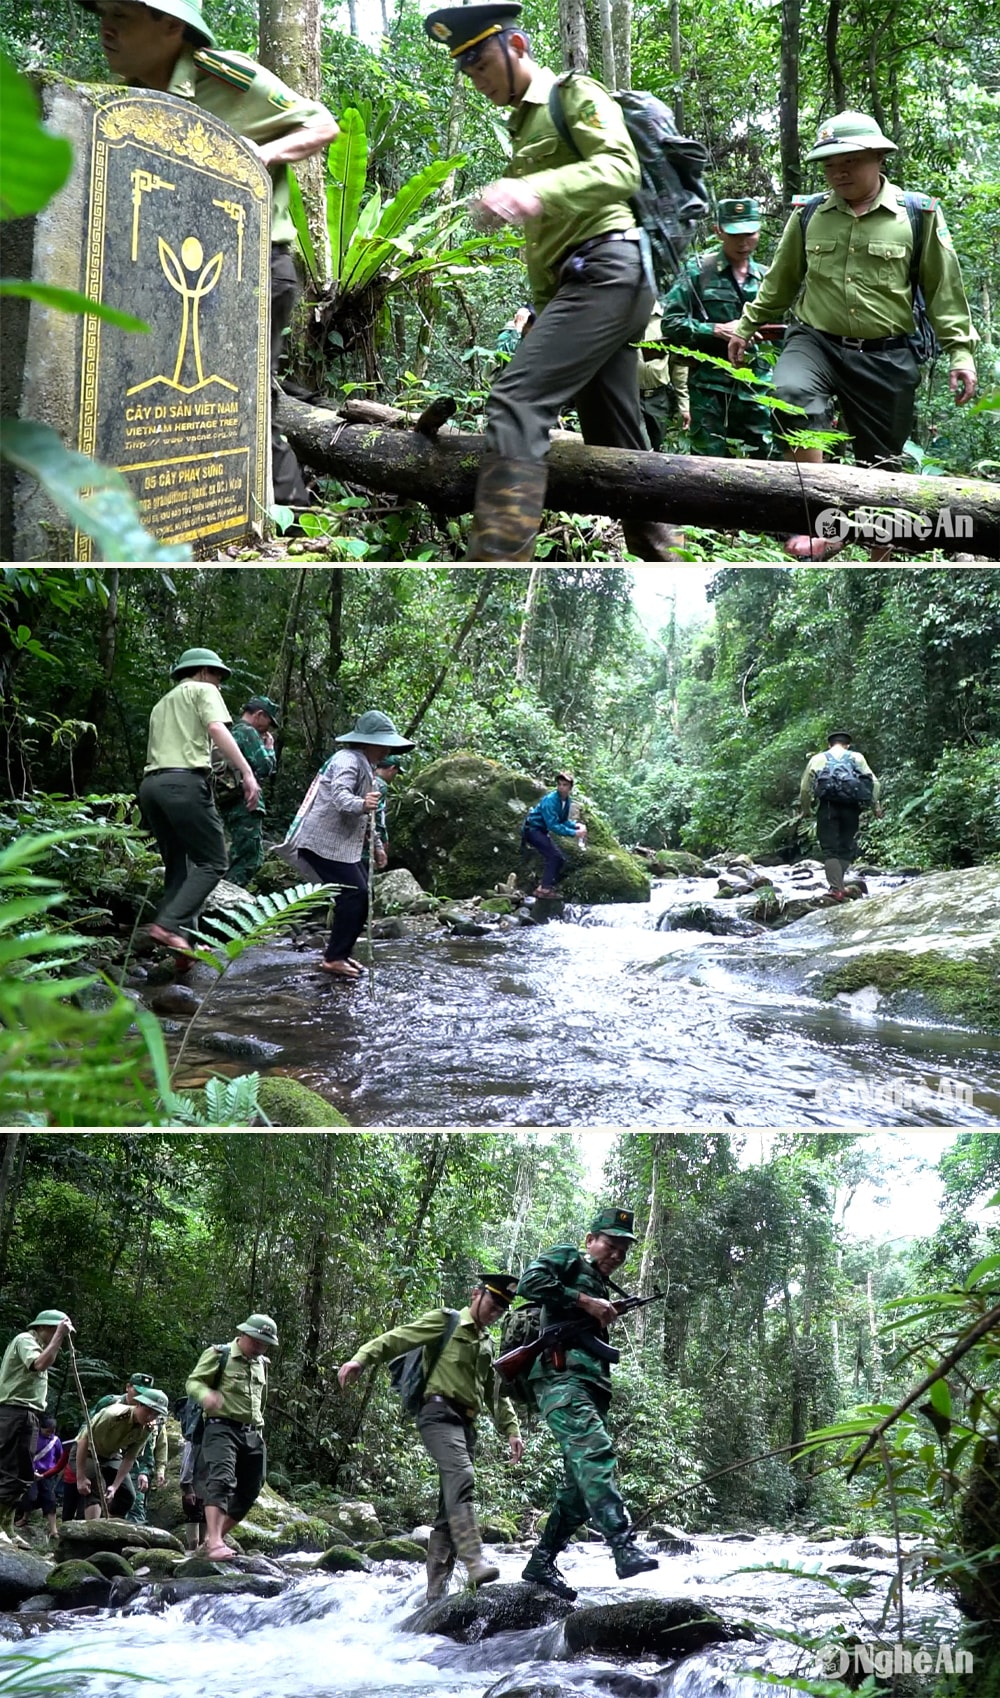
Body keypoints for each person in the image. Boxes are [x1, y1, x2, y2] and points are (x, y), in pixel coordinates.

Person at [425, 3, 681, 562]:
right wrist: (545, 309)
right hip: (582, 285)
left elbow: (621, 169)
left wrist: (535, 189)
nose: (479, 80)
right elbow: (548, 248)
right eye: (467, 72)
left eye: (483, 64)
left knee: (516, 400)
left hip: (612, 269)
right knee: (614, 434)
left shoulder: (573, 94)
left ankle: (499, 560)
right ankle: (664, 551)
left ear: (515, 48)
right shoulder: (521, 127)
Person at [74, 0, 339, 513]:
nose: (106, 27)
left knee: (247, 397)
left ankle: (292, 518)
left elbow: (322, 125)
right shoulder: (132, 102)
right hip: (175, 272)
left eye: (123, 16)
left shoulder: (224, 76)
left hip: (253, 264)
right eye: (103, 14)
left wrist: (257, 156)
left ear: (171, 26)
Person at [727, 112, 979, 561]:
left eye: (850, 161)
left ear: (879, 158)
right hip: (816, 341)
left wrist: (961, 352)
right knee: (791, 393)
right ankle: (817, 522)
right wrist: (746, 327)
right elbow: (781, 281)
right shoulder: (809, 216)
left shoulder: (917, 215)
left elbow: (945, 290)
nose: (838, 172)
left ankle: (877, 553)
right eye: (829, 164)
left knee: (881, 465)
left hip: (886, 354)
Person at [337, 1274, 523, 1602]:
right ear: (476, 1294)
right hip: (437, 1415)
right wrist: (360, 1358)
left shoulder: (486, 1343)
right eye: (494, 1304)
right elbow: (398, 1338)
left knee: (447, 1507)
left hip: (467, 1426)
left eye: (502, 1309)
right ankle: (473, 1560)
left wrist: (512, 1430)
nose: (496, 1312)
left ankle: (435, 1594)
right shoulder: (446, 1322)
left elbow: (495, 1393)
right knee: (462, 1475)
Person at [517, 1206, 658, 1598]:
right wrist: (583, 1301)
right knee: (595, 1453)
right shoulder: (568, 1258)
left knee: (578, 1489)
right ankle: (622, 1542)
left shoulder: (602, 1286)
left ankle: (542, 1561)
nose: (616, 1255)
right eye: (610, 1245)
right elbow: (529, 1281)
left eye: (623, 1251)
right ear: (591, 1241)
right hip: (561, 1380)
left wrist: (599, 1309)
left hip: (590, 1386)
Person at [139, 647, 261, 958]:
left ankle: (184, 946)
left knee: (179, 865)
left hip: (152, 787)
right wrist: (246, 772)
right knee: (214, 861)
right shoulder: (203, 689)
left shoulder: (160, 704)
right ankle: (167, 925)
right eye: (218, 676)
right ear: (204, 672)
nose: (219, 684)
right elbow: (216, 729)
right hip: (184, 784)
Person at [290, 710, 415, 980]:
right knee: (353, 894)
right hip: (320, 843)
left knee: (359, 894)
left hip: (339, 846)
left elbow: (367, 817)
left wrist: (378, 846)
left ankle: (340, 954)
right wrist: (361, 804)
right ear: (368, 742)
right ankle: (334, 958)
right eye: (383, 744)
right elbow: (340, 796)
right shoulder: (347, 760)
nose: (386, 750)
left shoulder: (365, 765)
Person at [661, 198, 775, 459]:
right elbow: (671, 322)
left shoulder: (770, 279)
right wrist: (714, 330)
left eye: (750, 234)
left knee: (765, 467)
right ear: (718, 231)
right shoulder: (699, 271)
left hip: (758, 389)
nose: (743, 242)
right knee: (706, 464)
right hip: (709, 390)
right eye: (735, 234)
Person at [186, 1313, 278, 1560]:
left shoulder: (261, 1363)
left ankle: (213, 1539)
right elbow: (193, 1382)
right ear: (244, 1334)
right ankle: (215, 1543)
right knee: (222, 1478)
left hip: (252, 1433)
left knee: (252, 1487)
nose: (260, 1346)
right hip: (221, 1427)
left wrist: (259, 1425)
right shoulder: (219, 1354)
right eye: (256, 1340)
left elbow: (261, 1399)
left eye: (265, 1343)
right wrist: (205, 1395)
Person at [0, 1309, 73, 1544]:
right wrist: (60, 1336)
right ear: (41, 1327)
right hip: (14, 1412)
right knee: (9, 1471)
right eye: (52, 1331)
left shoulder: (41, 1345)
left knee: (22, 1475)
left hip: (28, 1415)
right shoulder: (25, 1340)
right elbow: (38, 1364)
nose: (54, 1336)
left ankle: (7, 1527)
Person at [799, 730, 882, 899]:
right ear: (847, 745)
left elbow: (804, 789)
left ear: (829, 745)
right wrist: (875, 806)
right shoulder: (856, 757)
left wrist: (806, 810)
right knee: (845, 848)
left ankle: (836, 889)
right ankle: (839, 886)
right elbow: (875, 783)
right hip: (851, 808)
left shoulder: (818, 759)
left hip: (828, 808)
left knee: (830, 850)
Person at [68, 1386, 169, 1521]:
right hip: (86, 1453)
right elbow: (83, 1440)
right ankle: (92, 1531)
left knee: (127, 1495)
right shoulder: (113, 1415)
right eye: (148, 1411)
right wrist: (80, 1477)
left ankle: (111, 1529)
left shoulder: (147, 1428)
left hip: (111, 1455)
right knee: (96, 1486)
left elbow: (130, 1458)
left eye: (155, 1414)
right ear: (138, 1404)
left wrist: (115, 1487)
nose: (150, 1416)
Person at [220, 696, 280, 889]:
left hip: (230, 800)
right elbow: (265, 768)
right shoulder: (248, 733)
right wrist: (269, 749)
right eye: (268, 722)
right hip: (246, 803)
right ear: (259, 715)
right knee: (249, 859)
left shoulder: (231, 732)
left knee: (241, 854)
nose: (268, 729)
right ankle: (225, 902)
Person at [521, 770, 587, 898]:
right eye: (560, 784)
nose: (561, 787)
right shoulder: (551, 800)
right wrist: (574, 833)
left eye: (565, 785)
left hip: (541, 830)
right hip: (532, 830)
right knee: (554, 856)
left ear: (570, 788)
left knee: (559, 859)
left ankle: (544, 886)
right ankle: (544, 889)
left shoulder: (566, 801)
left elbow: (562, 820)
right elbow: (553, 825)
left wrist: (575, 825)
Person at [637, 303, 690, 450]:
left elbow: (679, 367)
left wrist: (684, 405)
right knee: (637, 446)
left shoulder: (667, 320)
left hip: (658, 398)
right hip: (630, 395)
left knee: (658, 446)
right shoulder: (624, 316)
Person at [14, 1412, 63, 1541]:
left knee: (50, 1499)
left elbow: (60, 1458)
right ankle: (25, 1518)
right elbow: (27, 1455)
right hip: (31, 1473)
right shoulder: (34, 1438)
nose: (49, 1433)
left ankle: (53, 1529)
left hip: (47, 1474)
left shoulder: (55, 1441)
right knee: (30, 1496)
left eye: (52, 1431)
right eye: (47, 1431)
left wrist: (51, 1471)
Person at [373, 751, 405, 855]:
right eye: (396, 772)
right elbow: (378, 815)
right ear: (392, 769)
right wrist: (383, 839)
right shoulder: (381, 786)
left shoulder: (368, 777)